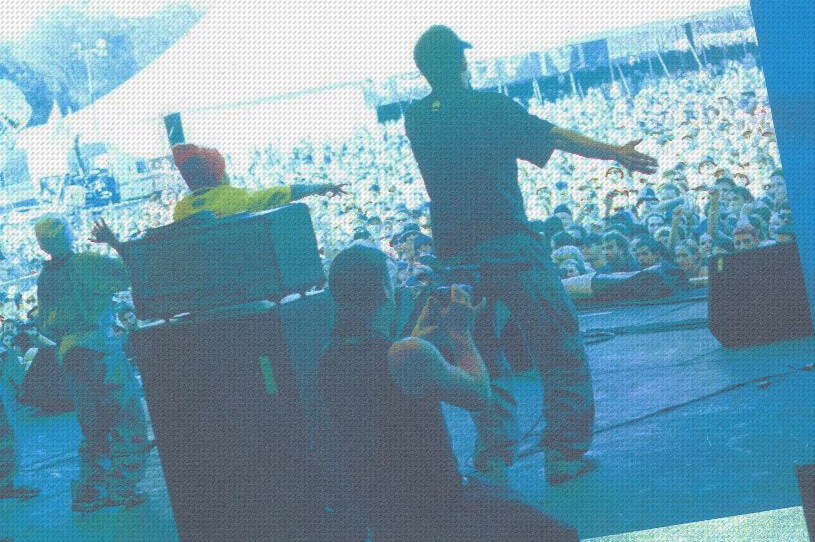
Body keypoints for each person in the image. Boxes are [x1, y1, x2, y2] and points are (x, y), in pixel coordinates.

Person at [404, 25, 658, 484]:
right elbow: (556, 136)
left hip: (456, 255)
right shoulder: (491, 107)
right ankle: (563, 455)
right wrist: (617, 153)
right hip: (510, 243)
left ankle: (494, 458)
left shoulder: (416, 119)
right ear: (462, 61)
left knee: (478, 352)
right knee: (558, 345)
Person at [319, 244, 578, 542]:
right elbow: (480, 397)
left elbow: (387, 389)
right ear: (383, 289)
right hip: (442, 509)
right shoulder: (407, 353)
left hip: (386, 518)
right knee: (560, 535)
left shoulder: (331, 358)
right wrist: (461, 332)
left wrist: (418, 337)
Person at [34, 216, 150, 512]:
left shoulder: (44, 277)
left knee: (93, 427)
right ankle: (122, 487)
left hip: (69, 355)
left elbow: (45, 325)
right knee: (127, 419)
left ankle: (88, 491)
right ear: (70, 235)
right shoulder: (85, 263)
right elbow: (132, 272)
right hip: (99, 349)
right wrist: (114, 242)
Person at [171, 144, 348, 221]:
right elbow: (282, 193)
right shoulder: (235, 197)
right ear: (219, 176)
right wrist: (319, 187)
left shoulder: (180, 210)